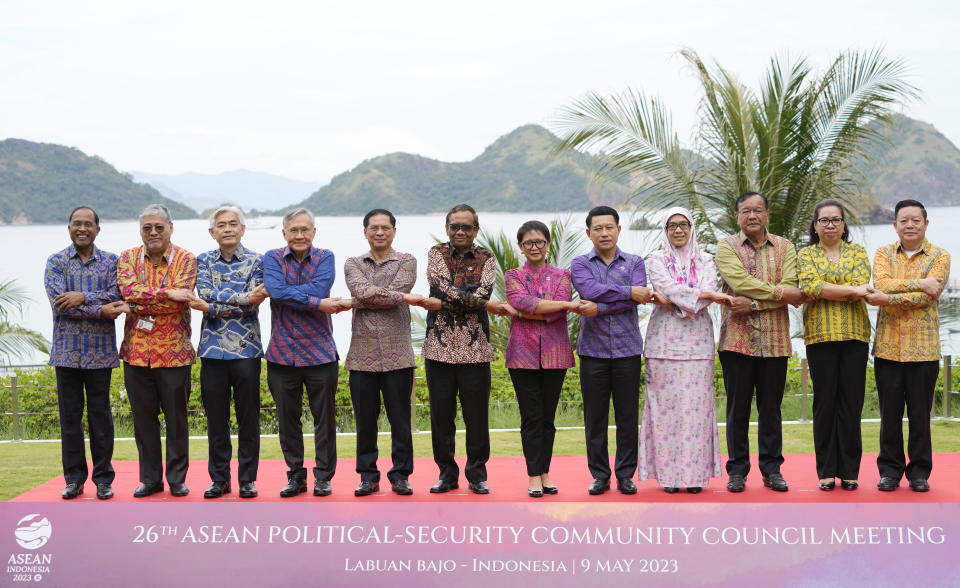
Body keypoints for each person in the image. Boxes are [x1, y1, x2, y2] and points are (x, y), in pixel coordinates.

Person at [420, 204, 516, 495]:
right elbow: (438, 285)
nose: (459, 231)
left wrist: (455, 300)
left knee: (476, 417)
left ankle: (477, 474)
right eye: (454, 226)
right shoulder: (436, 253)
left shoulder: (486, 257)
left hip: (476, 349)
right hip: (439, 348)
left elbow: (483, 293)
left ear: (476, 229)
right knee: (441, 416)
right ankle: (446, 474)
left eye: (465, 227)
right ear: (447, 227)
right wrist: (473, 300)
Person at [571, 205, 665, 495]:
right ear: (589, 233)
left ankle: (625, 474)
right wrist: (627, 292)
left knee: (627, 417)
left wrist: (600, 308)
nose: (604, 233)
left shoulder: (635, 262)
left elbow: (636, 299)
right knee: (594, 419)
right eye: (597, 228)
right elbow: (590, 290)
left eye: (609, 227)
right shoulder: (580, 264)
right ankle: (600, 475)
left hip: (627, 351)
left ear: (619, 229)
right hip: (592, 353)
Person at [716, 192, 805, 493]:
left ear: (767, 214)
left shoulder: (786, 247)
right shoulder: (726, 247)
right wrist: (779, 295)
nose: (752, 216)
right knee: (737, 410)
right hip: (736, 341)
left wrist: (754, 305)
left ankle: (772, 469)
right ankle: (737, 471)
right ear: (737, 215)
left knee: (771, 409)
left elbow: (792, 287)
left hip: (776, 341)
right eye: (745, 211)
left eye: (758, 210)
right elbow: (740, 283)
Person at [639, 207, 731, 494]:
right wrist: (704, 295)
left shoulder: (706, 260)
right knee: (665, 412)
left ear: (692, 228)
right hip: (663, 345)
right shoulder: (655, 259)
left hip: (698, 346)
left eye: (683, 225)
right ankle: (668, 476)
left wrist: (695, 297)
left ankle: (695, 477)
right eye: (671, 226)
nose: (678, 230)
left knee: (697, 412)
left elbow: (689, 295)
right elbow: (665, 289)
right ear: (665, 231)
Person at [264, 207, 350, 498]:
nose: (299, 235)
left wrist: (298, 294)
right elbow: (275, 291)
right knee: (287, 422)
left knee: (324, 420)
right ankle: (295, 475)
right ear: (284, 233)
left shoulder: (326, 257)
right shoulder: (272, 258)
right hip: (281, 354)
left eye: (305, 230)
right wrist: (317, 302)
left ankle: (323, 477)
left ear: (313, 232)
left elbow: (320, 286)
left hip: (319, 354)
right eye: (293, 230)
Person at [865, 199, 950, 492]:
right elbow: (881, 283)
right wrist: (918, 283)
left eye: (916, 220)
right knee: (889, 414)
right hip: (888, 347)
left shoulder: (941, 256)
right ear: (895, 225)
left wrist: (888, 298)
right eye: (904, 220)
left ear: (926, 223)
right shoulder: (883, 253)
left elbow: (928, 297)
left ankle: (919, 473)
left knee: (919, 415)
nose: (910, 225)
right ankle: (889, 471)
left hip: (924, 348)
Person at [116, 203, 197, 498]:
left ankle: (177, 478)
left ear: (171, 228)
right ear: (140, 231)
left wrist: (139, 305)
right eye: (147, 228)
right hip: (136, 351)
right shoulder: (127, 258)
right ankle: (150, 478)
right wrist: (164, 293)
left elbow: (178, 301)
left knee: (177, 420)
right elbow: (128, 291)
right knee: (143, 419)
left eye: (159, 227)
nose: (153, 232)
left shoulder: (187, 259)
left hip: (174, 353)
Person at [44, 206, 125, 500]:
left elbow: (117, 296)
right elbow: (59, 304)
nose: (82, 228)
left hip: (101, 355)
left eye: (88, 224)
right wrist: (100, 310)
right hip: (66, 354)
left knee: (101, 421)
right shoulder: (56, 263)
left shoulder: (112, 262)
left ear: (97, 230)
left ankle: (104, 479)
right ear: (68, 228)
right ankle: (74, 479)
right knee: (70, 421)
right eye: (77, 223)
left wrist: (83, 296)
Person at [190, 206, 267, 499]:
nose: (227, 229)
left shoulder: (258, 261)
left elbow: (253, 304)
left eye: (233, 224)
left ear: (243, 229)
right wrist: (242, 298)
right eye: (221, 225)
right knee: (216, 419)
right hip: (212, 351)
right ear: (212, 232)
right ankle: (219, 479)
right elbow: (205, 293)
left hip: (246, 351)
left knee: (248, 418)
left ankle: (247, 479)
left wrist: (212, 308)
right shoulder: (203, 261)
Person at [343, 209, 420, 496]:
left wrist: (370, 297)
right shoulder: (352, 262)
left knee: (401, 420)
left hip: (398, 354)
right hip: (361, 356)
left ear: (393, 231)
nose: (379, 232)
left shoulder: (407, 261)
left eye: (385, 227)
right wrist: (401, 298)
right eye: (373, 227)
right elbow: (361, 291)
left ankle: (401, 475)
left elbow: (371, 294)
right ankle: (367, 475)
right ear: (365, 232)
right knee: (365, 421)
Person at [797, 200, 872, 491]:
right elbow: (810, 287)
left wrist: (839, 289)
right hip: (821, 337)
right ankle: (827, 470)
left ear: (844, 224)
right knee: (825, 403)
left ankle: (850, 470)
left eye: (835, 220)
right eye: (823, 220)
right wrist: (851, 289)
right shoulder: (805, 254)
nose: (830, 225)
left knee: (851, 405)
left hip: (855, 336)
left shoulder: (858, 252)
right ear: (814, 226)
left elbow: (861, 284)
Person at [504, 220, 578, 497]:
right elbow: (520, 300)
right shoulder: (513, 275)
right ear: (521, 247)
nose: (534, 247)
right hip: (522, 355)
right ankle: (534, 476)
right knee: (531, 417)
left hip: (555, 354)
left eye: (539, 242)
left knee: (548, 418)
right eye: (528, 243)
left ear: (548, 244)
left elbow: (557, 311)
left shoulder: (563, 275)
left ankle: (545, 472)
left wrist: (525, 312)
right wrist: (557, 306)